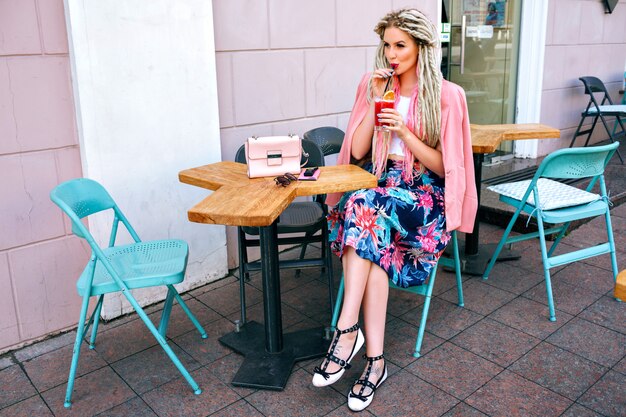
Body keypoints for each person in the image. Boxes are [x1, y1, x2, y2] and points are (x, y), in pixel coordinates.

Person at [311, 8, 478, 412]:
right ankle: (375, 363)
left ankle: (347, 331)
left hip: (423, 198)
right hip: (384, 190)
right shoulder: (373, 84)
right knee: (372, 232)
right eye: (386, 44)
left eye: (400, 45)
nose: (391, 54)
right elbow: (362, 150)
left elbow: (445, 167)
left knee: (366, 208)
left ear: (422, 47)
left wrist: (404, 131)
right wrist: (375, 103)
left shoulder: (447, 96)